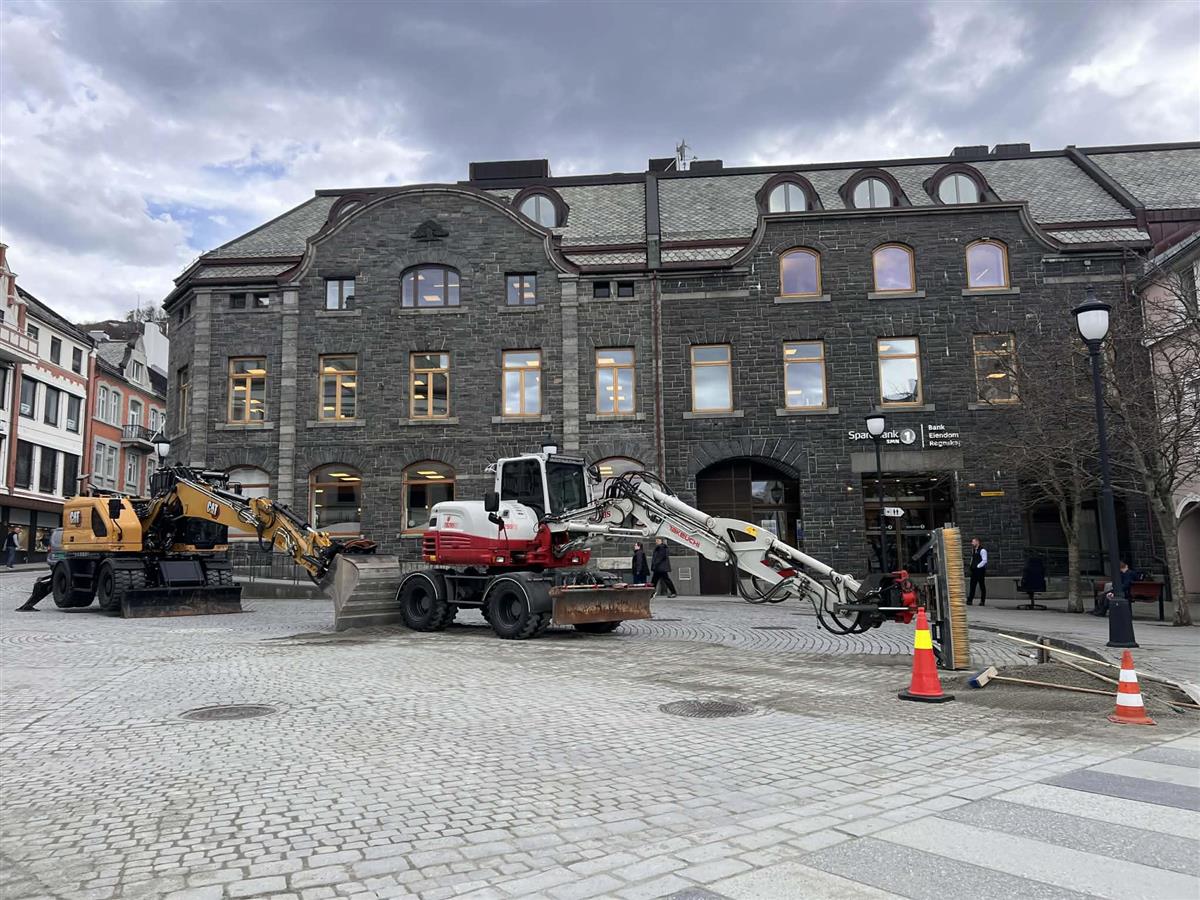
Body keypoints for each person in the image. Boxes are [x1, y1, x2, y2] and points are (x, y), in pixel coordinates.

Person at [966, 536, 987, 606]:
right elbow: (972, 559)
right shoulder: (974, 550)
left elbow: (984, 560)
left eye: (973, 542)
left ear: (977, 542)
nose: (972, 543)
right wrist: (971, 565)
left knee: (981, 585)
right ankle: (970, 600)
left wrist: (978, 566)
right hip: (974, 571)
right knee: (972, 585)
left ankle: (982, 601)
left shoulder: (982, 550)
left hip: (980, 571)